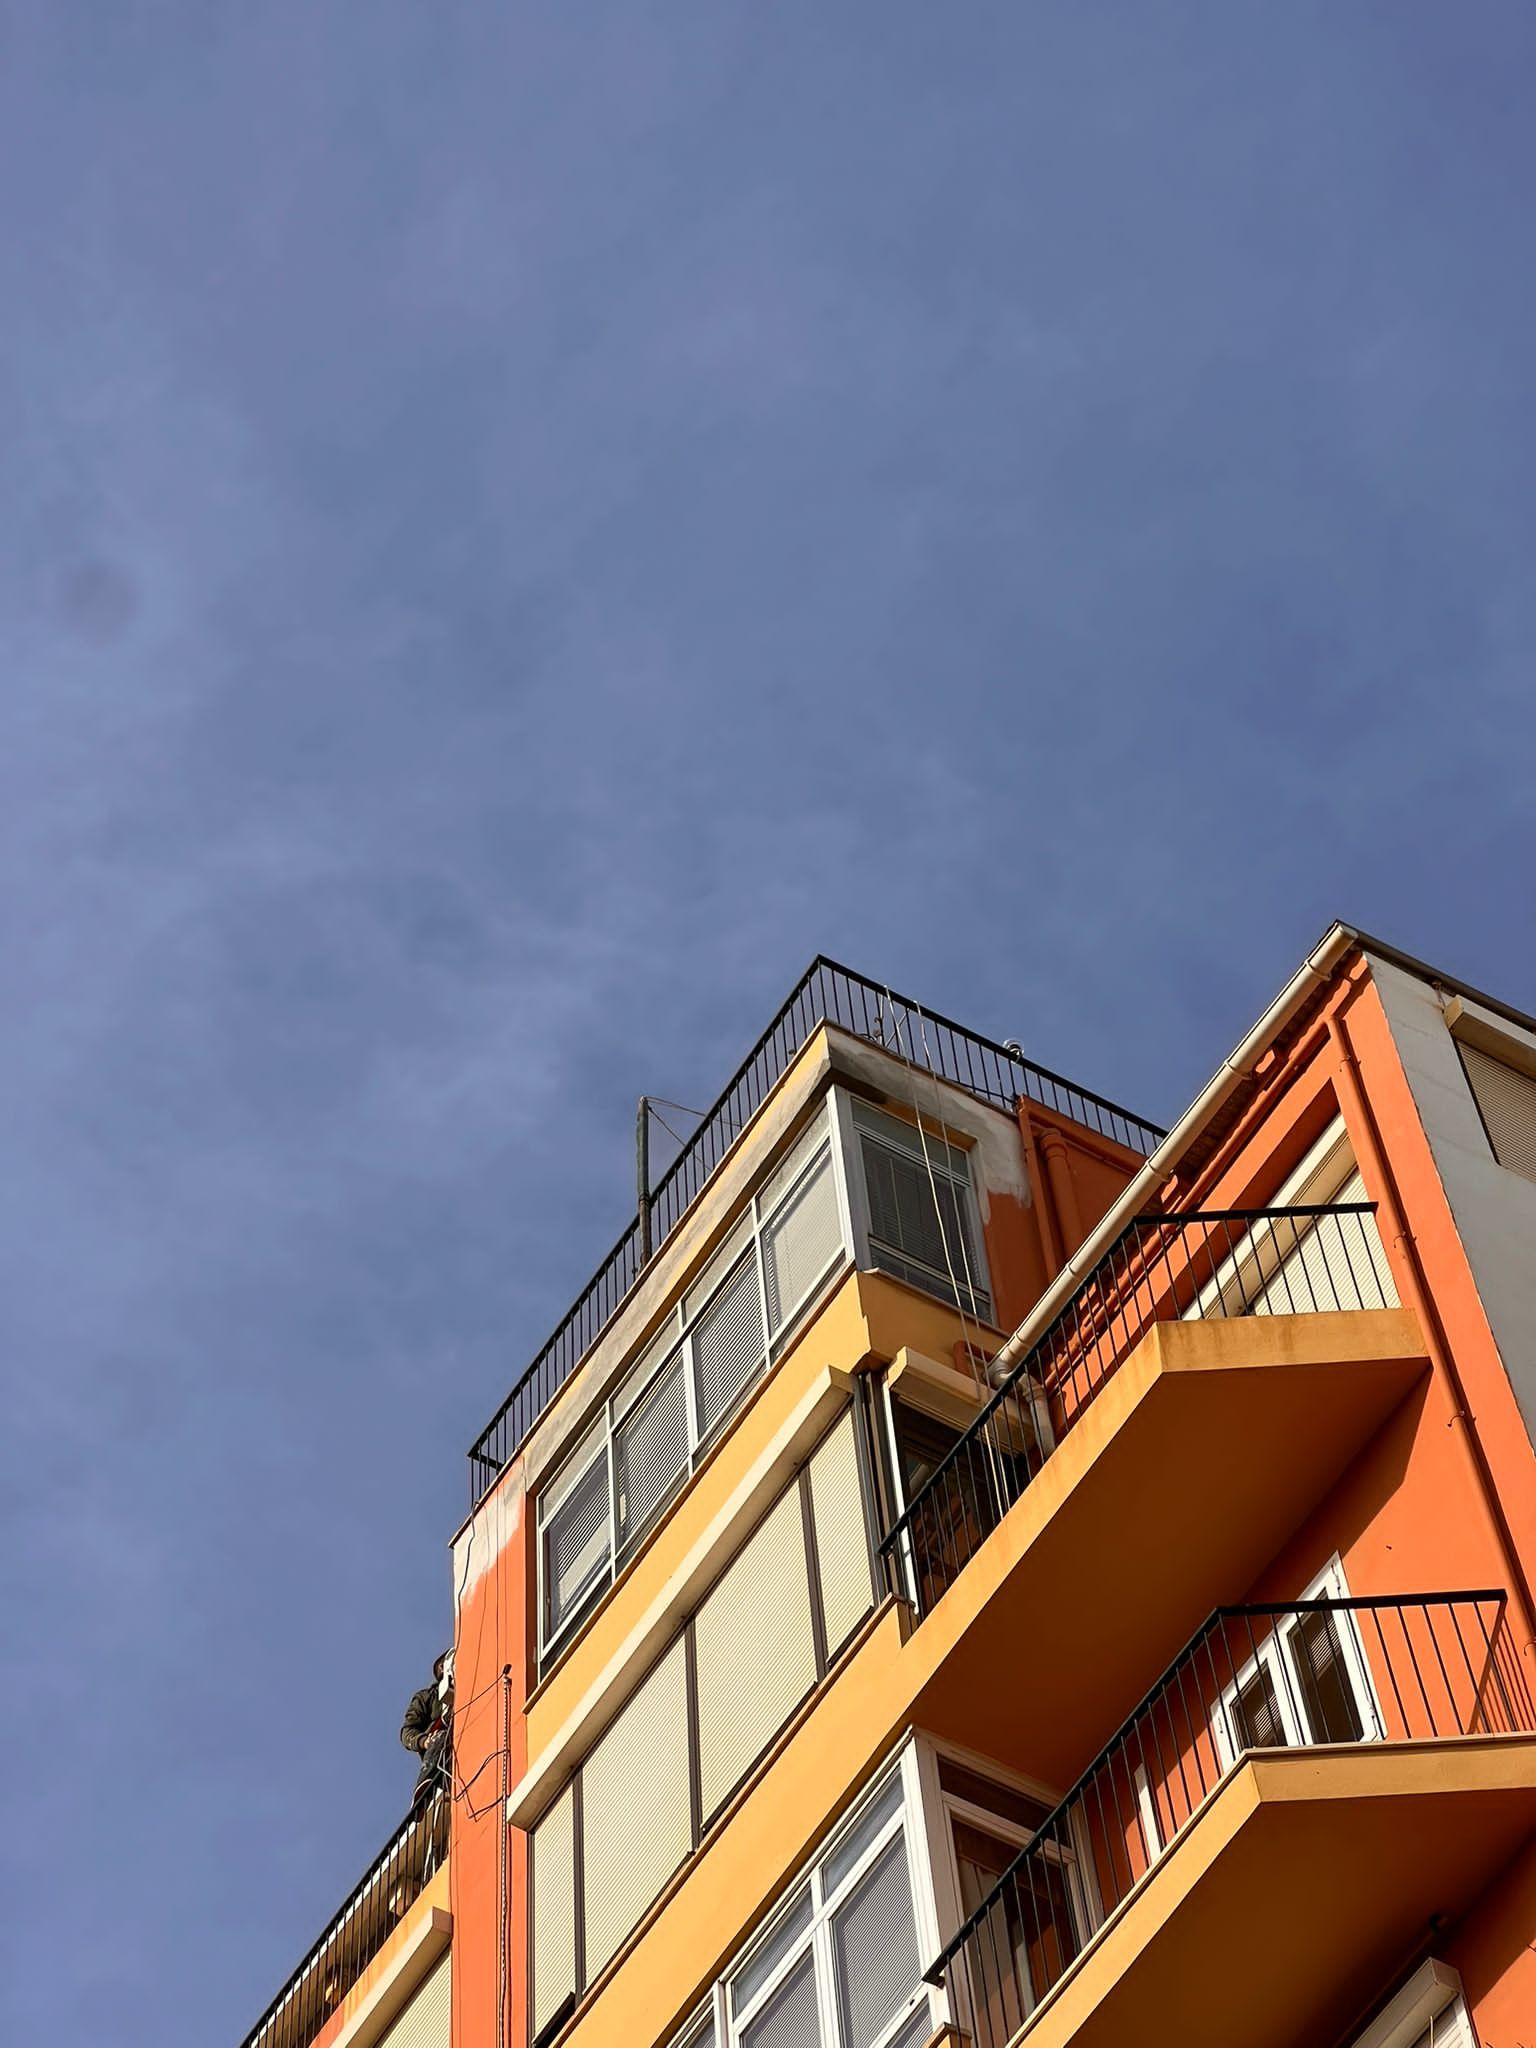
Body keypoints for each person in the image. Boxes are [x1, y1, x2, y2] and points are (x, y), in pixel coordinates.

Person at [401, 1650, 454, 1809]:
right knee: (440, 1737)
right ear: (441, 1667)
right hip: (439, 1744)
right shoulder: (427, 1697)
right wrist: (424, 1741)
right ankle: (424, 1787)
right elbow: (407, 1731)